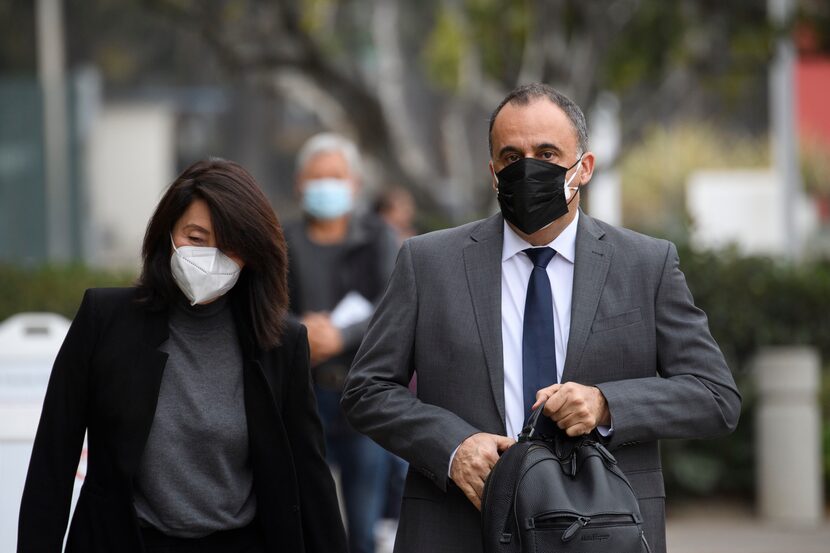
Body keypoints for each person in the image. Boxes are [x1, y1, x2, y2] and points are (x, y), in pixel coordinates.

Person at [341, 83, 741, 553]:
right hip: (457, 526)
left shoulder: (645, 264)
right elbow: (367, 389)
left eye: (547, 153)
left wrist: (607, 404)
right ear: (493, 173)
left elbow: (716, 396)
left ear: (584, 168)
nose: (527, 168)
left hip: (603, 529)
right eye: (511, 157)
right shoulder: (427, 262)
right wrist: (453, 448)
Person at [18, 158, 347, 553]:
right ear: (168, 233)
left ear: (252, 255)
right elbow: (53, 459)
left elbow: (309, 477)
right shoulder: (104, 320)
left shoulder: (281, 342)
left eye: (230, 246)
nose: (210, 256)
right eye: (196, 237)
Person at [283, 133, 401, 553]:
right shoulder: (282, 240)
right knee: (303, 514)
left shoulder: (378, 238)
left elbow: (393, 306)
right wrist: (300, 331)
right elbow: (264, 307)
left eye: (335, 177)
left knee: (363, 521)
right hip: (301, 395)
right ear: (299, 183)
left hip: (362, 395)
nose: (325, 186)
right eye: (316, 178)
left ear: (354, 184)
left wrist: (341, 335)